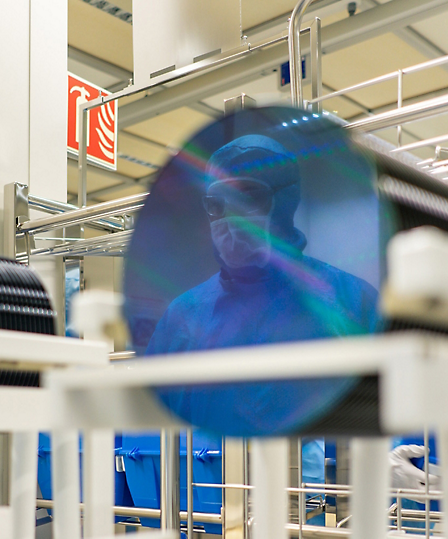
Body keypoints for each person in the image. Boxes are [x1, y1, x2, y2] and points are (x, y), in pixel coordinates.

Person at [145, 134, 382, 522]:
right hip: (210, 507)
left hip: (317, 511)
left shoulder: (349, 300)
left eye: (249, 198)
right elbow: (152, 418)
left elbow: (390, 402)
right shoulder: (185, 313)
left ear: (285, 201)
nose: (230, 218)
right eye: (216, 205)